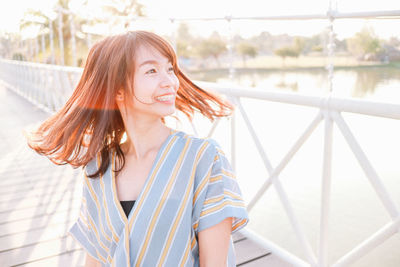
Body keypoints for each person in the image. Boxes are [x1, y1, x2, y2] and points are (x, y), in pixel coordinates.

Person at [27, 30, 249, 267]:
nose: (170, 82)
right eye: (151, 71)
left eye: (170, 69)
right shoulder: (98, 167)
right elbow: (95, 256)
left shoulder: (203, 158)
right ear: (117, 90)